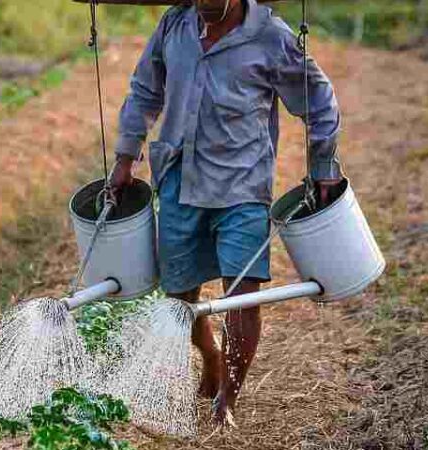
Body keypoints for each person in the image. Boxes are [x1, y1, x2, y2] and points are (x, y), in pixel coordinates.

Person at [107, 0, 343, 426]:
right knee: (179, 298)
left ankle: (226, 402)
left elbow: (318, 98)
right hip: (179, 179)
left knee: (243, 297)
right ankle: (211, 357)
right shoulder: (175, 24)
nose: (204, 7)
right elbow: (145, 89)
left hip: (243, 185)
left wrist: (323, 163)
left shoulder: (270, 36)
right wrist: (125, 156)